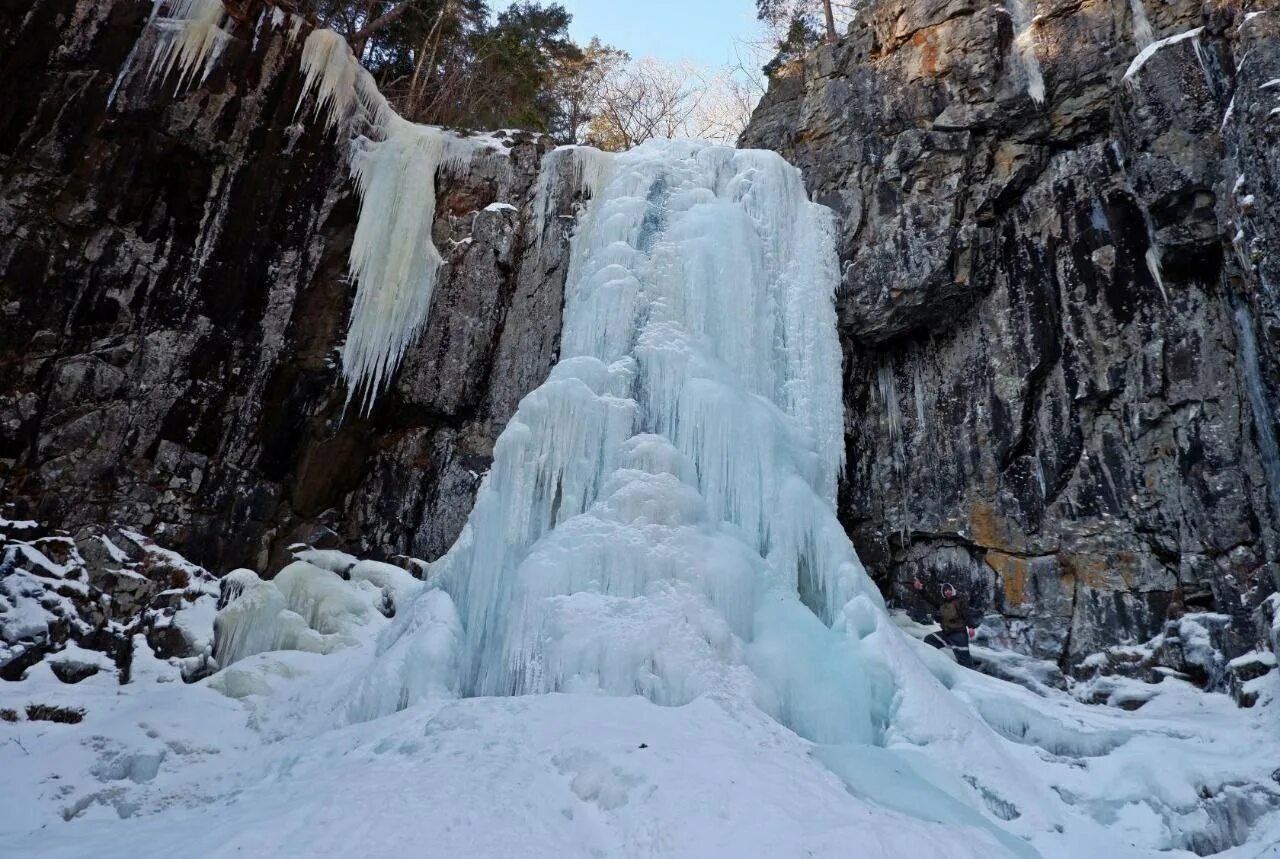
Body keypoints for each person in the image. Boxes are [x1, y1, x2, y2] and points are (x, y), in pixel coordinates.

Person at [912, 578, 977, 669]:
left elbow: (966, 613)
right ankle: (935, 665)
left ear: (953, 591)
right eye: (945, 590)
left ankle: (975, 679)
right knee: (929, 640)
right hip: (946, 634)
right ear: (943, 593)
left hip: (959, 634)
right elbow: (930, 599)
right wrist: (921, 590)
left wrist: (971, 627)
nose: (947, 592)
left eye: (949, 589)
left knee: (964, 661)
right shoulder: (942, 604)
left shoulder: (959, 601)